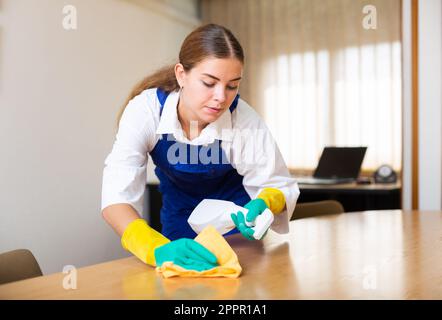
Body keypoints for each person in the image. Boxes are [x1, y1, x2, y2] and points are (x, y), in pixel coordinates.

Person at [101, 23, 299, 271]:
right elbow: (116, 197)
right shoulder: (147, 111)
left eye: (232, 85)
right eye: (209, 82)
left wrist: (266, 202)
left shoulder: (243, 119)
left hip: (237, 234)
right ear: (181, 74)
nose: (221, 97)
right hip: (177, 230)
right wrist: (152, 247)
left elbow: (277, 184)